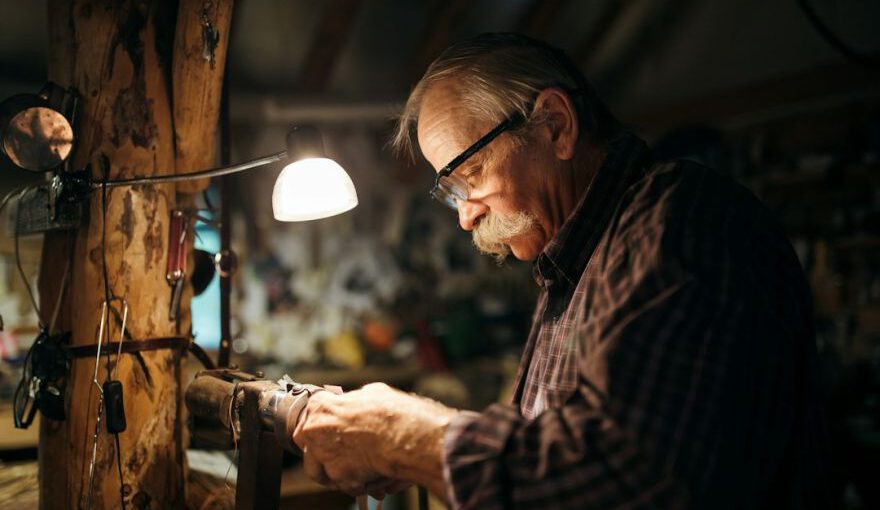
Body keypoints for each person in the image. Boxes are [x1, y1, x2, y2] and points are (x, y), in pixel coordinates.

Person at [292, 33, 830, 509]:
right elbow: (546, 447)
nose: (465, 214)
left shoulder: (682, 222)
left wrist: (402, 434)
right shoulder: (570, 263)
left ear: (555, 125)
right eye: (449, 190)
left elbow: (624, 479)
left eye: (470, 173)